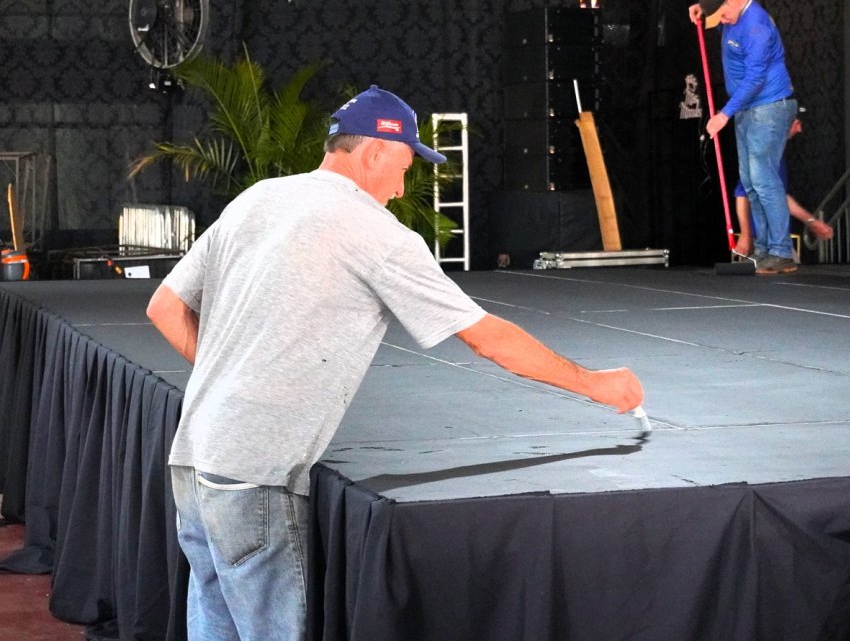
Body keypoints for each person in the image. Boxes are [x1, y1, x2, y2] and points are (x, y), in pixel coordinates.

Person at [145, 85, 644, 641]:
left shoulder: (257, 198)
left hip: (193, 457)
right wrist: (594, 384)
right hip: (253, 471)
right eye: (404, 168)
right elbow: (488, 340)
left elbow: (164, 307)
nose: (403, 188)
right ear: (374, 152)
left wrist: (233, 380)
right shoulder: (378, 234)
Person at [689, 0, 799, 273]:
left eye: (723, 17)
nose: (723, 23)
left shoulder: (756, 26)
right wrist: (702, 10)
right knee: (750, 181)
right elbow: (716, 15)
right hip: (747, 109)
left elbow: (755, 79)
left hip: (769, 105)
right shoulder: (729, 15)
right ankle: (764, 250)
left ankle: (781, 251)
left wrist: (724, 115)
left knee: (764, 178)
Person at [732, 115, 834, 260]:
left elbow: (781, 198)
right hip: (759, 240)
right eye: (797, 123)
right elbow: (742, 194)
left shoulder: (774, 153)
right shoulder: (764, 152)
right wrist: (746, 234)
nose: (799, 129)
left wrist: (811, 221)